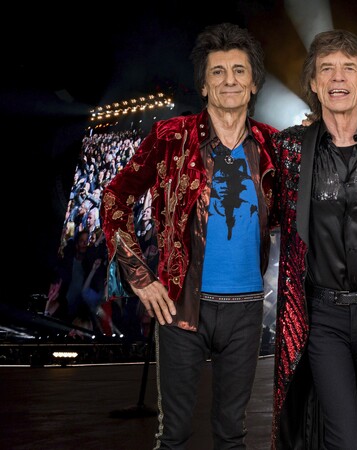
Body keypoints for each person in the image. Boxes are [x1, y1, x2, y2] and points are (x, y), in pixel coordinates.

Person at [100, 23, 278, 449]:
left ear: (254, 83)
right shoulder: (170, 137)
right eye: (218, 71)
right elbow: (115, 197)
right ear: (203, 85)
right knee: (175, 435)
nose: (229, 80)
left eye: (239, 70)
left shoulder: (273, 144)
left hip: (246, 309)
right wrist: (140, 277)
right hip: (180, 307)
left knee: (232, 434)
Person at [270, 29, 357, 450]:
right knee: (346, 437)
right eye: (327, 69)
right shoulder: (289, 149)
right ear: (314, 83)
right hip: (322, 318)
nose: (337, 77)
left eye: (348, 68)